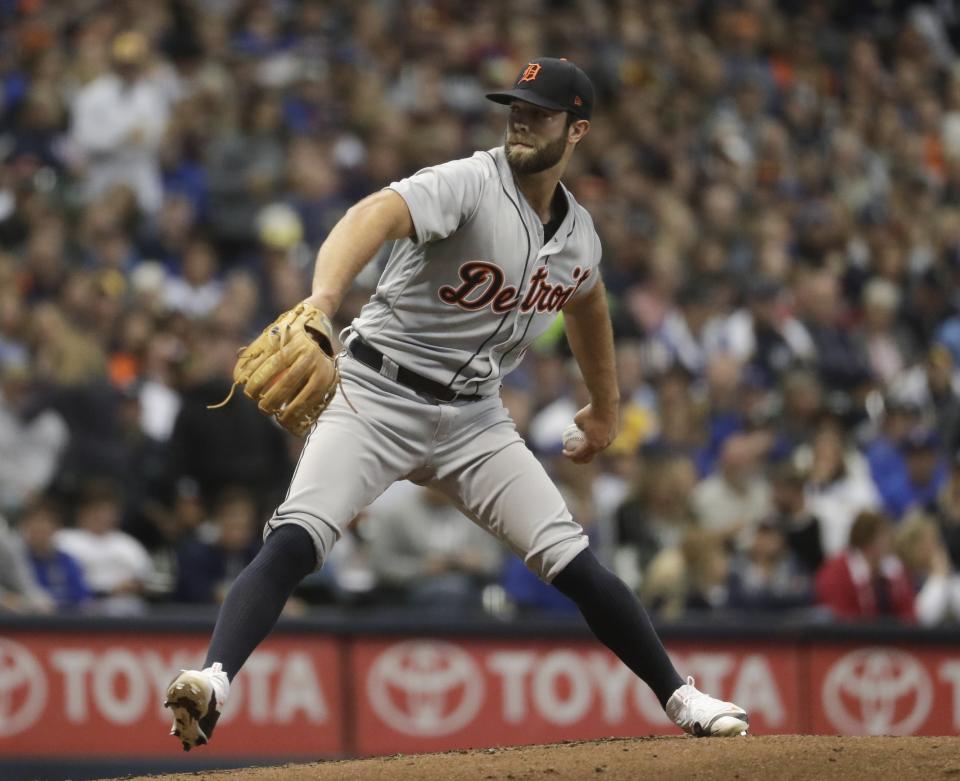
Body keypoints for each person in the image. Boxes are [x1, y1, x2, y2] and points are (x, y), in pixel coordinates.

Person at [164, 57, 748, 751]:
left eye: (541, 111)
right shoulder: (469, 182)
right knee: (297, 536)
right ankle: (213, 679)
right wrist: (322, 302)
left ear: (578, 130)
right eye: (517, 107)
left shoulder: (580, 235)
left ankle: (682, 698)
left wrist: (605, 407)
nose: (522, 119)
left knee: (575, 562)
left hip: (475, 418)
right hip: (376, 391)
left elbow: (587, 299)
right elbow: (372, 214)